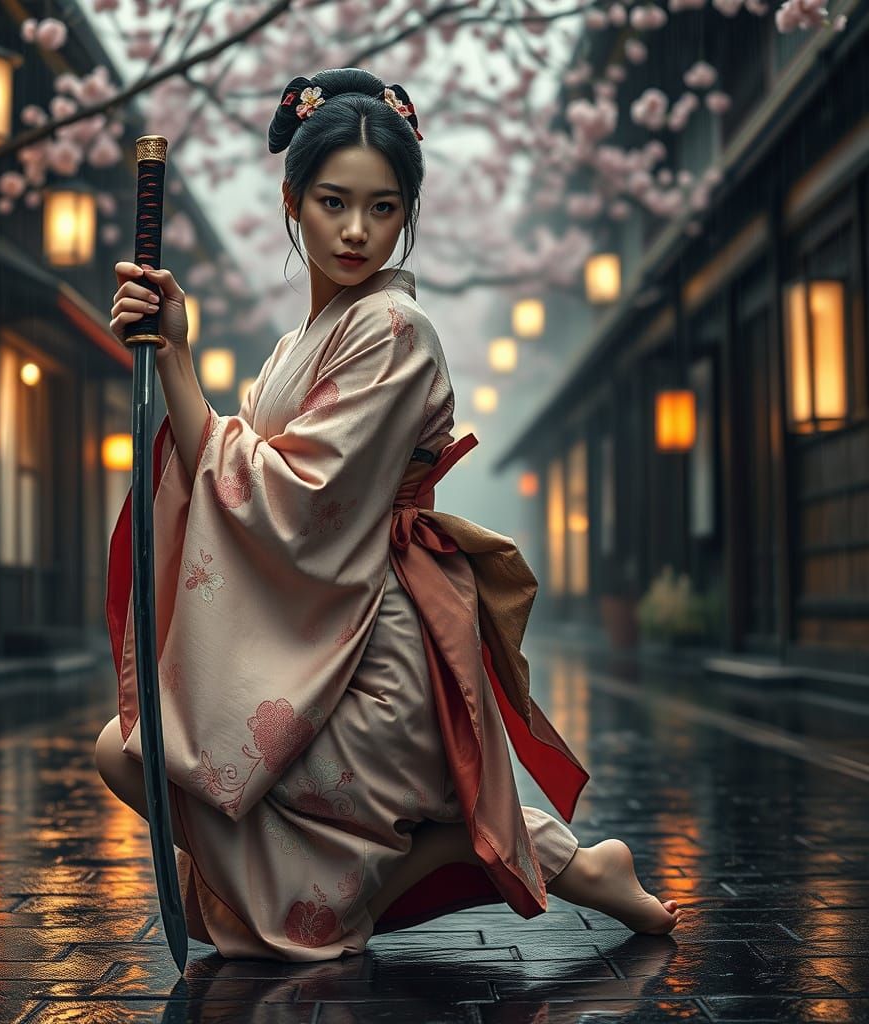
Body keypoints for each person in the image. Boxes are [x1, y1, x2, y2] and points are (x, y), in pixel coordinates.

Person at [94, 67, 680, 962]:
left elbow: (297, 503)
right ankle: (573, 864)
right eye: (333, 202)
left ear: (409, 213)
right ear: (293, 202)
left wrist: (177, 365)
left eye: (384, 207)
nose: (358, 230)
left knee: (152, 765)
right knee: (139, 756)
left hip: (382, 653)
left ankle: (557, 865)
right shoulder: (295, 346)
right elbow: (247, 473)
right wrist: (178, 346)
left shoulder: (398, 334)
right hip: (334, 625)